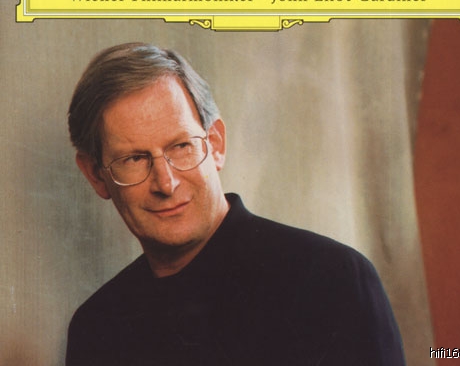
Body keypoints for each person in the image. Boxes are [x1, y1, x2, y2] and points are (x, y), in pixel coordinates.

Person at [66, 42, 406, 366]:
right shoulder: (97, 328)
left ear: (215, 145)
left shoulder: (331, 279)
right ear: (96, 176)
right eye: (134, 159)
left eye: (181, 146)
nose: (166, 184)